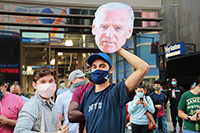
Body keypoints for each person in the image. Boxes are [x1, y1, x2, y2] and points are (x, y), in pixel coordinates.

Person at [77, 46, 149, 133]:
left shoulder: (117, 91)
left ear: (111, 70)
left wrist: (118, 49)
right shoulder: (87, 94)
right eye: (94, 67)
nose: (98, 69)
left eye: (102, 66)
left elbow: (143, 68)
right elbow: (87, 124)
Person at [14, 66, 68, 133]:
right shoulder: (32, 105)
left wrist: (61, 130)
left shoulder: (53, 105)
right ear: (35, 85)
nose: (48, 85)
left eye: (51, 81)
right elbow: (19, 131)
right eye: (43, 82)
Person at [68, 63, 95, 133]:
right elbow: (72, 115)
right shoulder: (80, 90)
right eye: (88, 67)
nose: (91, 70)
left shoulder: (113, 90)